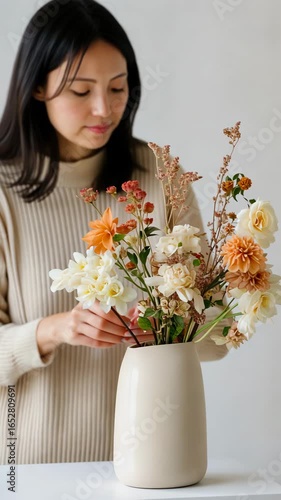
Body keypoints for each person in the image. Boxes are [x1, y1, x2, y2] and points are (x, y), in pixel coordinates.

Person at [0, 0, 227, 465]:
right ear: (37, 87)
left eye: (118, 88)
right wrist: (55, 329)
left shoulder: (161, 177)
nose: (104, 109)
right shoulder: (4, 193)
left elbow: (218, 337)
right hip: (25, 470)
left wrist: (165, 325)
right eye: (81, 91)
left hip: (155, 461)